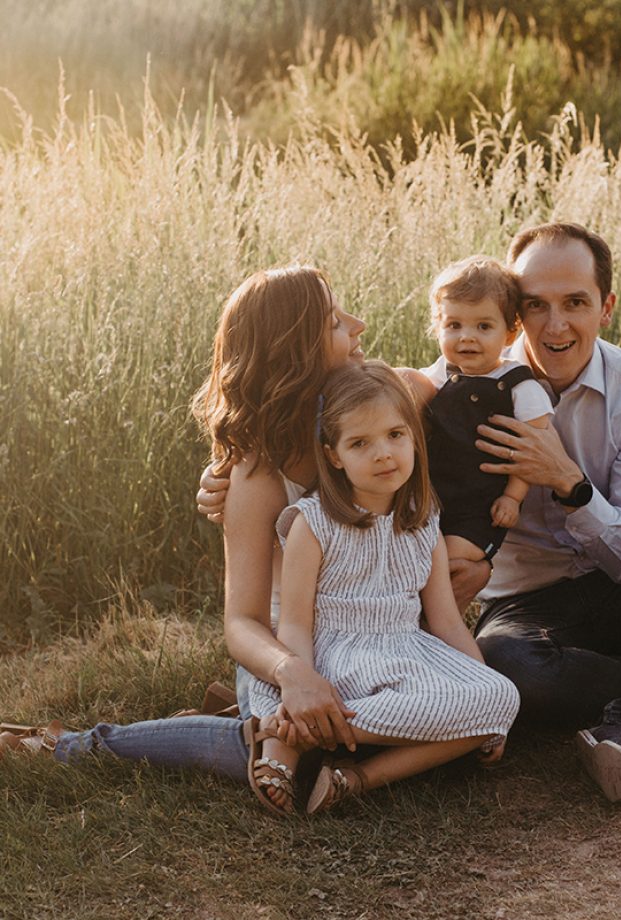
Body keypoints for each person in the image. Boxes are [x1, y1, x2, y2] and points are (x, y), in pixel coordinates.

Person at [198, 224, 621, 804]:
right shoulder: (449, 382)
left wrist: (570, 483)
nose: (555, 324)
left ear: (605, 307)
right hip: (524, 611)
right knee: (510, 670)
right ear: (515, 313)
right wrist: (226, 475)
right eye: (536, 305)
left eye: (576, 303)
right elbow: (358, 424)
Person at [1, 268, 367, 790]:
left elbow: (444, 379)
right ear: (297, 354)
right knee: (300, 755)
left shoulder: (380, 414)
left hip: (372, 634)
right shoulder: (259, 474)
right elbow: (242, 621)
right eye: (335, 321)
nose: (359, 325)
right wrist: (293, 673)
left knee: (359, 732)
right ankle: (73, 746)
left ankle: (224, 719)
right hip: (289, 644)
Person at [245, 360, 519, 815]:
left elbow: (447, 621)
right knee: (475, 714)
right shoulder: (312, 524)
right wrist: (303, 686)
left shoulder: (424, 516)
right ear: (333, 455)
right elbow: (294, 625)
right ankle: (297, 722)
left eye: (395, 435)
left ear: (414, 437)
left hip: (404, 653)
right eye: (359, 443)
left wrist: (486, 692)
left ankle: (348, 775)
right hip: (334, 658)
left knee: (503, 698)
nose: (383, 454)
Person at [407, 256, 552, 610]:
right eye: (454, 325)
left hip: (480, 507)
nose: (466, 337)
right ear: (437, 326)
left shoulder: (518, 385)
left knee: (447, 563)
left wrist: (513, 497)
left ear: (510, 332)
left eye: (483, 327)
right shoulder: (438, 376)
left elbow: (531, 451)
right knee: (414, 559)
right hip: (432, 498)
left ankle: (441, 626)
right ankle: (411, 622)